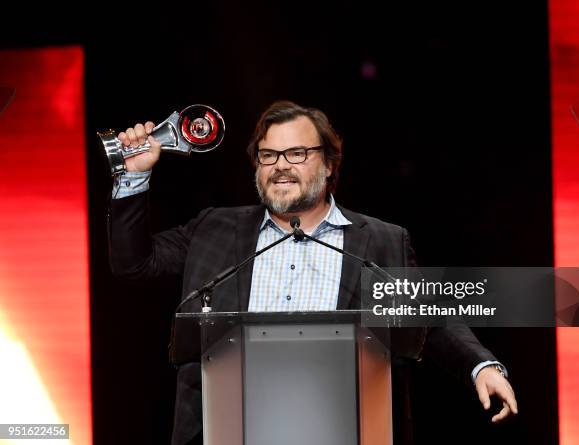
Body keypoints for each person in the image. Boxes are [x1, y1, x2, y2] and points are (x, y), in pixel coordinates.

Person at [109, 101, 518, 445]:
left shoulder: (380, 241)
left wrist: (481, 366)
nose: (280, 167)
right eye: (268, 156)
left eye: (297, 154)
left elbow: (431, 317)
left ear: (329, 164)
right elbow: (134, 264)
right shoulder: (215, 229)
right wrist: (135, 175)